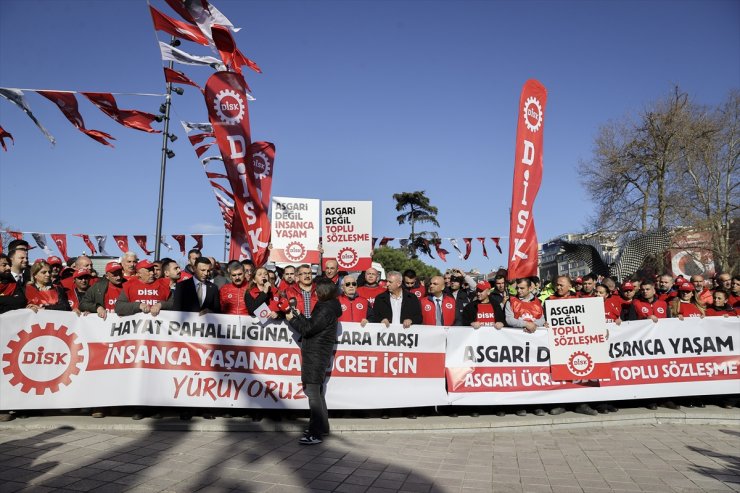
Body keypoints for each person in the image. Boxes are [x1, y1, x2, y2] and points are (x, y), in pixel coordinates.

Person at [285, 279, 342, 445]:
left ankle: (315, 433)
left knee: (312, 393)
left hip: (315, 353)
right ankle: (322, 428)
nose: (314, 292)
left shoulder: (325, 308)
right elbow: (312, 325)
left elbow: (308, 330)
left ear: (323, 291)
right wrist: (299, 315)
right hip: (317, 352)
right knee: (317, 392)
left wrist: (292, 320)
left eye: (317, 290)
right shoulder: (329, 306)